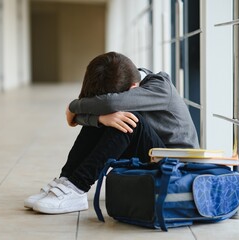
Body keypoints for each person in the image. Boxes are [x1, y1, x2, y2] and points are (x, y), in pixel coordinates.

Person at [24, 52, 199, 214]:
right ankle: (67, 180)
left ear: (132, 88)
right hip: (151, 156)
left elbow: (109, 105)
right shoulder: (130, 87)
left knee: (130, 121)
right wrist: (99, 119)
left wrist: (74, 106)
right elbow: (102, 110)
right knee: (112, 118)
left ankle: (78, 186)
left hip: (175, 168)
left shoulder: (160, 87)